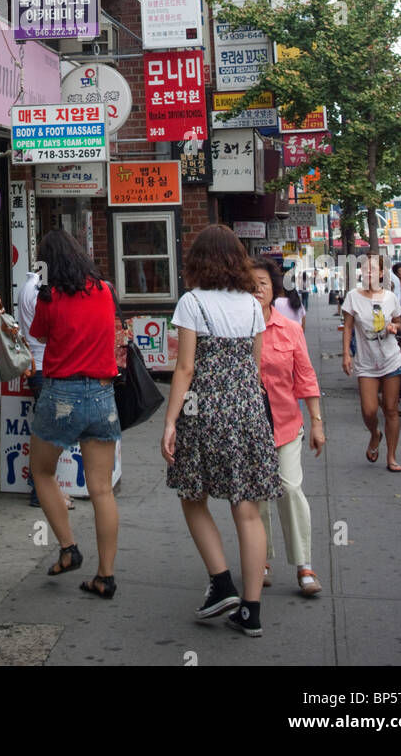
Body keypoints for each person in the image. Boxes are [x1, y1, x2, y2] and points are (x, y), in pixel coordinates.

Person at [161, 225, 282, 639]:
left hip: (205, 410)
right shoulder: (252, 305)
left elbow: (185, 368)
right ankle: (251, 611)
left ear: (199, 261)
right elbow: (256, 365)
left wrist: (171, 420)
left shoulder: (192, 303)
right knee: (247, 508)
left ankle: (221, 581)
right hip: (248, 411)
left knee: (193, 495)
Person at [29, 229, 120, 599]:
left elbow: (39, 336)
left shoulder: (49, 297)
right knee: (102, 490)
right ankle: (106, 576)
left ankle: (68, 547)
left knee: (41, 471)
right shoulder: (105, 290)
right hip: (102, 393)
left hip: (61, 393)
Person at [251, 259, 325, 596]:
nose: (257, 288)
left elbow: (306, 377)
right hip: (249, 427)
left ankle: (304, 564)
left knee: (290, 488)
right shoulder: (237, 330)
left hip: (285, 424)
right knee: (257, 496)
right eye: (250, 283)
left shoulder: (290, 329)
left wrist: (316, 423)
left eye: (263, 283)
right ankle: (262, 558)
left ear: (274, 289)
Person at [16, 265, 73, 511]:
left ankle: (43, 489)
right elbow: (46, 333)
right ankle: (42, 491)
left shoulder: (28, 288)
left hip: (38, 366)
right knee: (50, 431)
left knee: (45, 429)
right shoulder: (40, 291)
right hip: (46, 366)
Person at [341, 255, 401, 471]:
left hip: (391, 359)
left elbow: (399, 322)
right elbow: (348, 327)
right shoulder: (353, 297)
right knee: (369, 410)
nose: (368, 273)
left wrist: (395, 328)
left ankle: (392, 457)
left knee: (391, 408)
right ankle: (375, 434)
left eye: (372, 269)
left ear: (380, 274)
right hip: (366, 361)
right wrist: (346, 355)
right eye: (365, 269)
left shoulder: (389, 297)